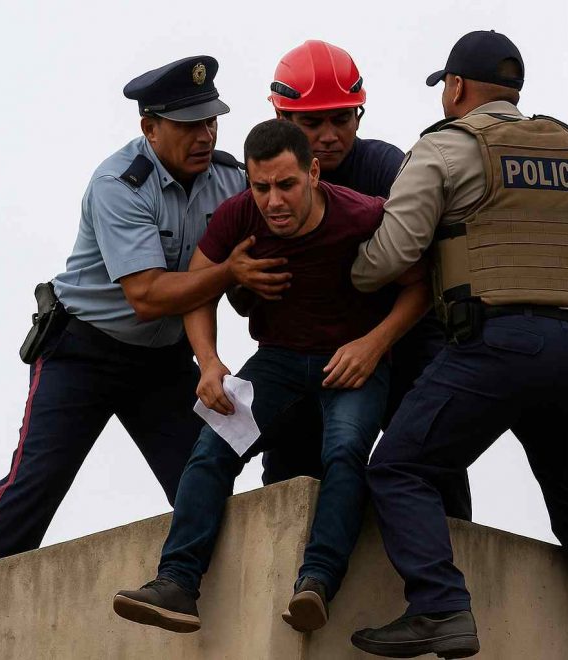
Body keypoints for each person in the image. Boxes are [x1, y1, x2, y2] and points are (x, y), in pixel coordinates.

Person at [348, 31, 568, 660]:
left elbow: (388, 257)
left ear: (456, 88)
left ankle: (439, 607)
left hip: (498, 346)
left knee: (399, 467)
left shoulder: (447, 147)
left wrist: (347, 271)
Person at [0, 56, 287, 568]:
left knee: (202, 477)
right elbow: (148, 295)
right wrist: (229, 274)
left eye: (210, 120)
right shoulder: (119, 184)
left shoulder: (230, 179)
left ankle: (196, 595)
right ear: (150, 128)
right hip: (84, 353)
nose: (204, 135)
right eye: (187, 125)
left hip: (161, 362)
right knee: (36, 482)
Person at [112, 119, 430, 635]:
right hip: (278, 360)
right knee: (214, 441)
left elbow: (420, 286)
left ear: (314, 173)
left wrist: (375, 345)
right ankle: (176, 582)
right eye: (261, 187)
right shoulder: (240, 215)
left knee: (346, 450)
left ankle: (317, 582)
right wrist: (209, 362)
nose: (274, 200)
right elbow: (197, 287)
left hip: (350, 359)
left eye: (286, 185)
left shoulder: (362, 214)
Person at [258, 40, 473, 521]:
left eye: (342, 118)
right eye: (312, 123)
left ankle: (459, 557)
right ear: (280, 121)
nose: (330, 135)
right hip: (314, 344)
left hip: (403, 334)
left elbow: (430, 274)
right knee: (290, 467)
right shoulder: (261, 184)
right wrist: (238, 276)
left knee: (430, 450)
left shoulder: (386, 167)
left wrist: (374, 345)